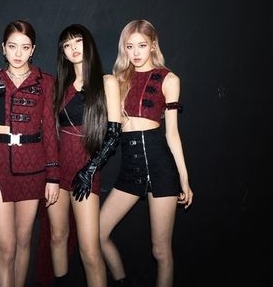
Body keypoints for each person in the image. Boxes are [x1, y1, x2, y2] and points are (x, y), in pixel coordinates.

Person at [99, 19, 193, 287]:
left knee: (160, 250)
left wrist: (184, 179)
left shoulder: (169, 79)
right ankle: (122, 281)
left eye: (141, 45)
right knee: (97, 233)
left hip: (160, 166)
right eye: (129, 47)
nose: (136, 52)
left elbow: (172, 134)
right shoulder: (118, 80)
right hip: (130, 167)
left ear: (153, 45)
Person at [0, 19, 60, 287]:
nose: (18, 53)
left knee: (23, 242)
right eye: (12, 46)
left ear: (33, 50)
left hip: (33, 168)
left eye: (24, 47)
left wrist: (53, 176)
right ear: (3, 48)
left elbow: (50, 131)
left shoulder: (46, 82)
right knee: (6, 248)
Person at [36, 24, 122, 287]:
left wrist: (90, 170)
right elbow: (49, 133)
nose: (73, 48)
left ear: (89, 44)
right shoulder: (59, 86)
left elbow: (114, 134)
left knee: (89, 250)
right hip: (57, 171)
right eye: (67, 44)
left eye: (78, 41)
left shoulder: (106, 82)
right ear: (62, 51)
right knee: (57, 236)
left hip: (85, 170)